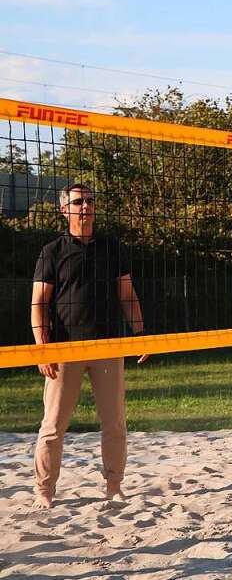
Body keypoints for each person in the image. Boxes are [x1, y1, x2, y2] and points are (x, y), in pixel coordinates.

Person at [31, 183, 147, 509]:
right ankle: (44, 491)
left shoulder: (111, 247)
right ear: (64, 209)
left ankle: (114, 486)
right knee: (53, 426)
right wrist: (43, 347)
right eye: (79, 202)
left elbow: (126, 293)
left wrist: (140, 333)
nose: (86, 207)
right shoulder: (52, 251)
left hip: (107, 344)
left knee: (114, 423)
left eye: (90, 201)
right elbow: (39, 302)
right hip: (64, 348)